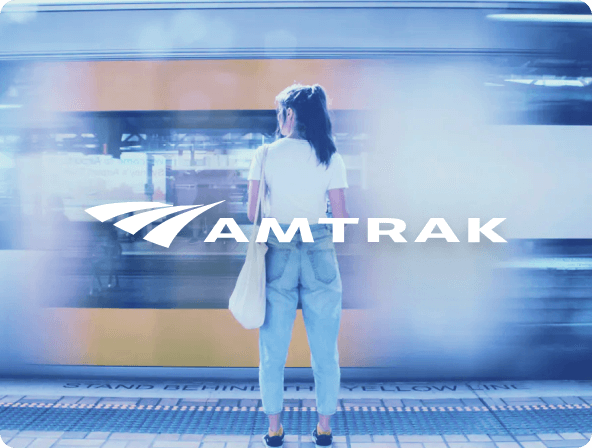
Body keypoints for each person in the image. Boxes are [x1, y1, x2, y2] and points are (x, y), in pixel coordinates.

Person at [247, 83, 349, 448]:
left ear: (290, 115)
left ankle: (274, 430)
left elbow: (251, 212)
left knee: (273, 349)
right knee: (325, 349)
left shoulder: (264, 154)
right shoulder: (330, 156)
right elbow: (340, 217)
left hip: (278, 251)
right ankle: (323, 429)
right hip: (320, 249)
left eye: (280, 112)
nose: (278, 119)